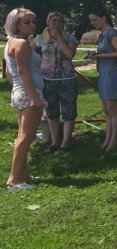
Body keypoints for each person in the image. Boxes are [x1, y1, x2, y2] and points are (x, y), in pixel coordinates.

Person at [4, 8, 45, 191]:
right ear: (16, 25)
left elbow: (7, 73)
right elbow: (22, 72)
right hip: (29, 93)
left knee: (25, 136)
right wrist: (34, 97)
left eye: (32, 22)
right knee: (26, 137)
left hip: (23, 91)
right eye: (26, 22)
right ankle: (14, 180)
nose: (32, 25)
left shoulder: (14, 42)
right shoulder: (20, 43)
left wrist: (18, 88)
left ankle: (23, 174)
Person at [32, 12, 78, 149]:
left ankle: (65, 142)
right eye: (53, 20)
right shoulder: (40, 38)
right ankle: (54, 141)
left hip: (67, 79)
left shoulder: (70, 38)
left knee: (68, 111)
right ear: (48, 23)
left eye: (59, 21)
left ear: (63, 24)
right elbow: (27, 52)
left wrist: (59, 38)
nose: (56, 23)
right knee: (51, 111)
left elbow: (70, 54)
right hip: (47, 80)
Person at [87, 11, 117, 151]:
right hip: (102, 74)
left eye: (95, 19)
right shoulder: (101, 36)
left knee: (112, 109)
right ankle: (107, 139)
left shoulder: (111, 33)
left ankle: (113, 141)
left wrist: (101, 55)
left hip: (111, 74)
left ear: (104, 17)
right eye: (91, 20)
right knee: (106, 110)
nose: (93, 23)